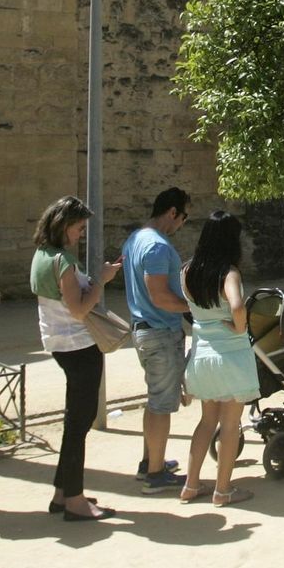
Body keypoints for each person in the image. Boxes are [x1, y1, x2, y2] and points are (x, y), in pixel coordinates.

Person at [30, 195, 119, 522]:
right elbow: (80, 308)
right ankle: (76, 501)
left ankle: (62, 493)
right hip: (77, 346)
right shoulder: (62, 262)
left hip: (61, 344)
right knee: (78, 424)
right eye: (79, 227)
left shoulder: (43, 255)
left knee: (75, 422)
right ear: (65, 226)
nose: (82, 233)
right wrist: (101, 280)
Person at [181, 211, 260, 506]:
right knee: (230, 424)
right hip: (230, 354)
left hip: (202, 353)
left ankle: (191, 484)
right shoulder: (229, 273)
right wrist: (240, 326)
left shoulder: (188, 271)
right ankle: (223, 490)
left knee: (205, 421)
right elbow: (237, 306)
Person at [121, 187, 192, 494]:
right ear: (172, 212)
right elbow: (160, 296)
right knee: (163, 405)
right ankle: (156, 474)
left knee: (154, 400)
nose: (182, 224)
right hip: (160, 332)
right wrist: (193, 307)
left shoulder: (135, 240)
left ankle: (150, 461)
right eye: (184, 217)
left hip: (145, 329)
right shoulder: (158, 247)